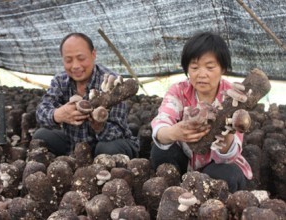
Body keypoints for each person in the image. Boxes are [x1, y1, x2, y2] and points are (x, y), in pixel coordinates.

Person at [150, 31, 252, 193]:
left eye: (210, 67)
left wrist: (226, 134)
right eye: (195, 67)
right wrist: (173, 132)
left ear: (222, 68)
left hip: (217, 163)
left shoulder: (234, 97)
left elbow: (228, 155)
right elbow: (163, 119)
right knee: (160, 152)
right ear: (187, 69)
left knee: (227, 175)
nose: (202, 74)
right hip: (187, 158)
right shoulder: (179, 90)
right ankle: (173, 194)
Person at [33, 32, 139, 159]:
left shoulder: (111, 83)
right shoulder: (60, 80)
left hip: (107, 143)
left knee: (108, 149)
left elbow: (119, 132)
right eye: (68, 60)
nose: (76, 66)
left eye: (81, 58)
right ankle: (74, 160)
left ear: (93, 54)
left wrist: (100, 126)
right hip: (74, 145)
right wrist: (57, 114)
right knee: (42, 135)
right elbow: (41, 111)